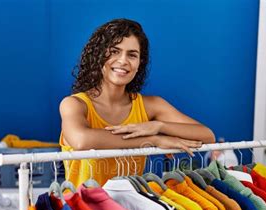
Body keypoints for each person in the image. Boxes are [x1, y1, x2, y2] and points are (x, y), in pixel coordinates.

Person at [60, 18, 215, 186]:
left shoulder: (151, 106)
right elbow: (82, 140)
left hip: (129, 207)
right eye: (114, 51)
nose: (123, 60)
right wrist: (153, 140)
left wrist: (159, 126)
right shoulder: (74, 104)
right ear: (99, 55)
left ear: (139, 63)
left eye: (132, 55)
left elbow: (207, 135)